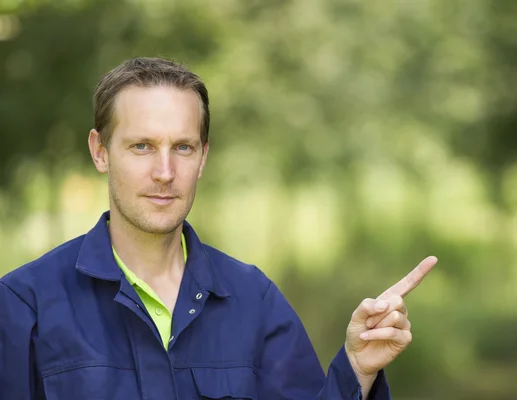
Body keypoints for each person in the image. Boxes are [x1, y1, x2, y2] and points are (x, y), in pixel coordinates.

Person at [0, 57, 437, 399]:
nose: (165, 171)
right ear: (100, 152)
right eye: (142, 147)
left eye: (183, 147)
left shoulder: (254, 300)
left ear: (203, 157)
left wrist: (358, 371)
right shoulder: (25, 304)